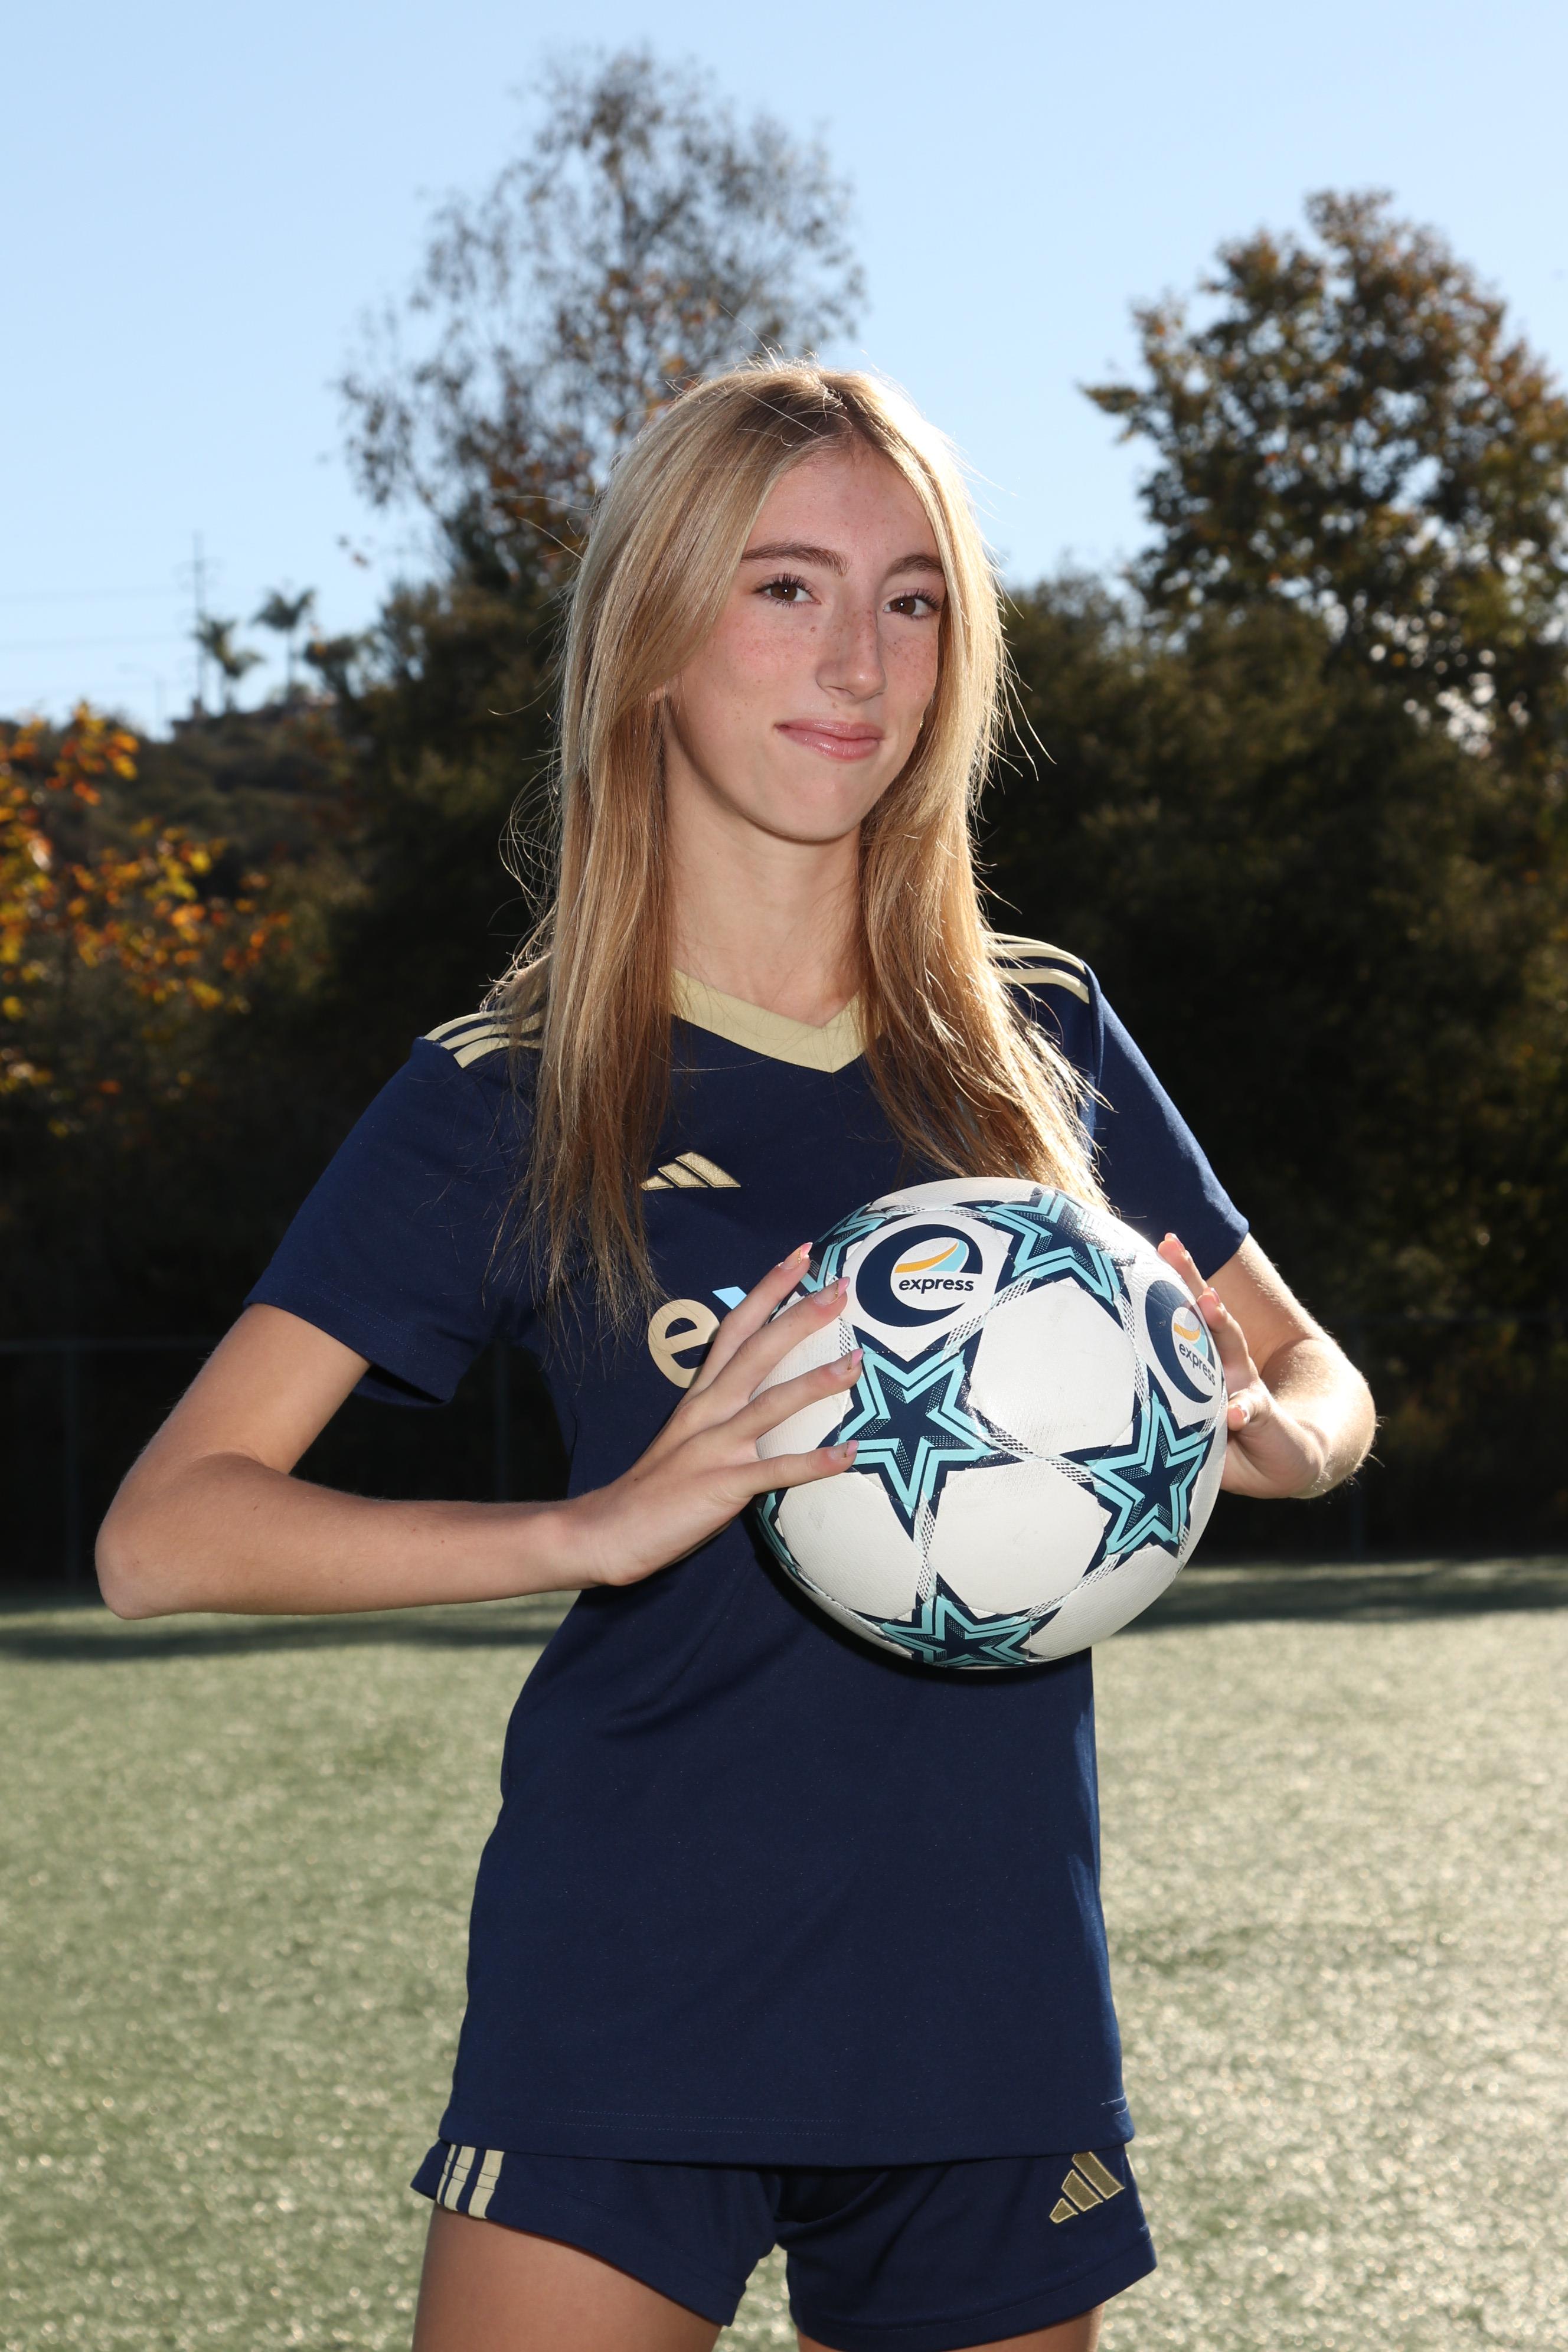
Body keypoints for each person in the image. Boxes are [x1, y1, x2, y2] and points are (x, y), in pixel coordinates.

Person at [99, 363, 1374, 2352]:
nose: (859, 660)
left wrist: (1268, 1436)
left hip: (989, 2005)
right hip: (632, 1990)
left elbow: (1317, 1373)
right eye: (786, 587)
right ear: (654, 631)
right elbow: (166, 1532)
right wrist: (598, 1527)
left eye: (912, 599)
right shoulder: (515, 1086)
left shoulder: (1041, 1038)